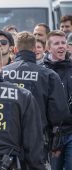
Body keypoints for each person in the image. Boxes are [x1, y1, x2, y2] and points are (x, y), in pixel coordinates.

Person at [2, 31, 70, 165]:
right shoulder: (48, 75)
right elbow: (59, 114)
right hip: (37, 139)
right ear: (35, 49)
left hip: (6, 138)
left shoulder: (2, 73)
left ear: (15, 49)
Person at [41, 30, 72, 170]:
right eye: (56, 43)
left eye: (63, 43)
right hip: (51, 134)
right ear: (48, 47)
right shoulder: (41, 70)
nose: (61, 46)